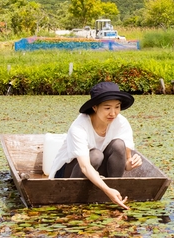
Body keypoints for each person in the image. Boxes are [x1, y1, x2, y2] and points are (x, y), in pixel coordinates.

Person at [49, 81, 143, 209]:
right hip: (68, 174)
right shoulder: (79, 127)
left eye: (117, 107)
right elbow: (85, 167)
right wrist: (106, 189)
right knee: (95, 155)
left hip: (97, 171)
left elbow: (125, 164)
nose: (113, 113)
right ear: (95, 107)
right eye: (107, 108)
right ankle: (102, 193)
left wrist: (131, 164)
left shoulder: (121, 123)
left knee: (118, 145)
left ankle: (115, 193)